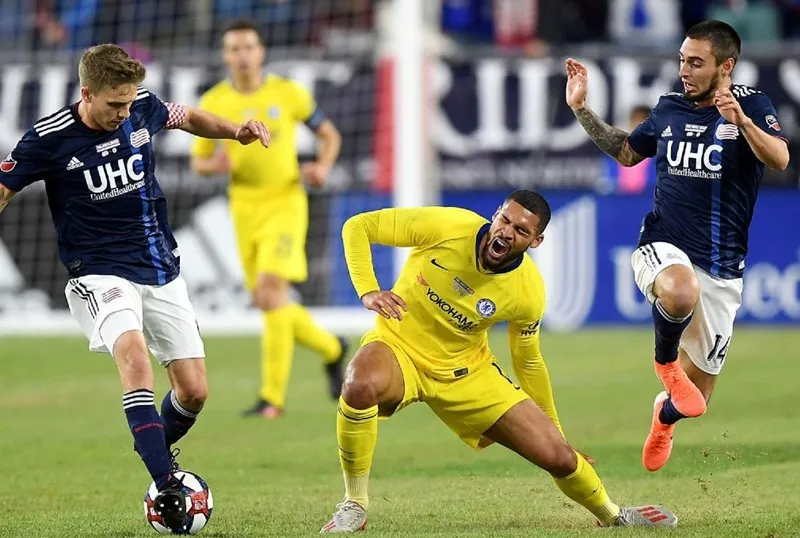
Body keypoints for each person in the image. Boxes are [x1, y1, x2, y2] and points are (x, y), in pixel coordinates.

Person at [0, 44, 269, 532]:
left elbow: (185, 117)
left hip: (159, 266)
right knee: (135, 356)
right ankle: (167, 483)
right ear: (86, 93)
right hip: (97, 271)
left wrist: (236, 131)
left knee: (194, 391)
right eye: (113, 106)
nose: (124, 114)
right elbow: (4, 188)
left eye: (128, 104)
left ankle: (149, 440)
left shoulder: (141, 104)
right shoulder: (47, 138)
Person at [319, 190, 678, 532]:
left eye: (521, 230)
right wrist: (367, 289)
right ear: (495, 215)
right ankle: (354, 504)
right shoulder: (447, 227)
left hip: (467, 374)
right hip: (398, 347)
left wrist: (557, 431)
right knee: (360, 384)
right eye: (505, 220)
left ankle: (613, 516)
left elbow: (529, 362)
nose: (507, 232)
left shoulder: (528, 290)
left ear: (535, 242)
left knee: (561, 458)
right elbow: (358, 226)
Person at [566, 20, 789, 472]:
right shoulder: (669, 108)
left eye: (695, 62)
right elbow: (628, 151)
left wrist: (741, 122)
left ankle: (663, 415)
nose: (684, 70)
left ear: (725, 66)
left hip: (723, 266)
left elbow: (780, 159)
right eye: (682, 59)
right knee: (680, 291)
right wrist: (581, 109)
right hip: (663, 244)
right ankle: (664, 364)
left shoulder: (753, 106)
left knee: (696, 401)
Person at [190, 20, 348, 419]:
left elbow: (329, 135)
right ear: (225, 56)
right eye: (233, 49)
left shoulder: (287, 93)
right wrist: (216, 165)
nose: (242, 55)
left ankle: (271, 400)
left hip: (285, 202)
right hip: (243, 208)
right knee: (266, 300)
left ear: (260, 52)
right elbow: (198, 162)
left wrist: (322, 168)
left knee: (270, 291)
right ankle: (332, 347)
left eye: (248, 47)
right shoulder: (214, 101)